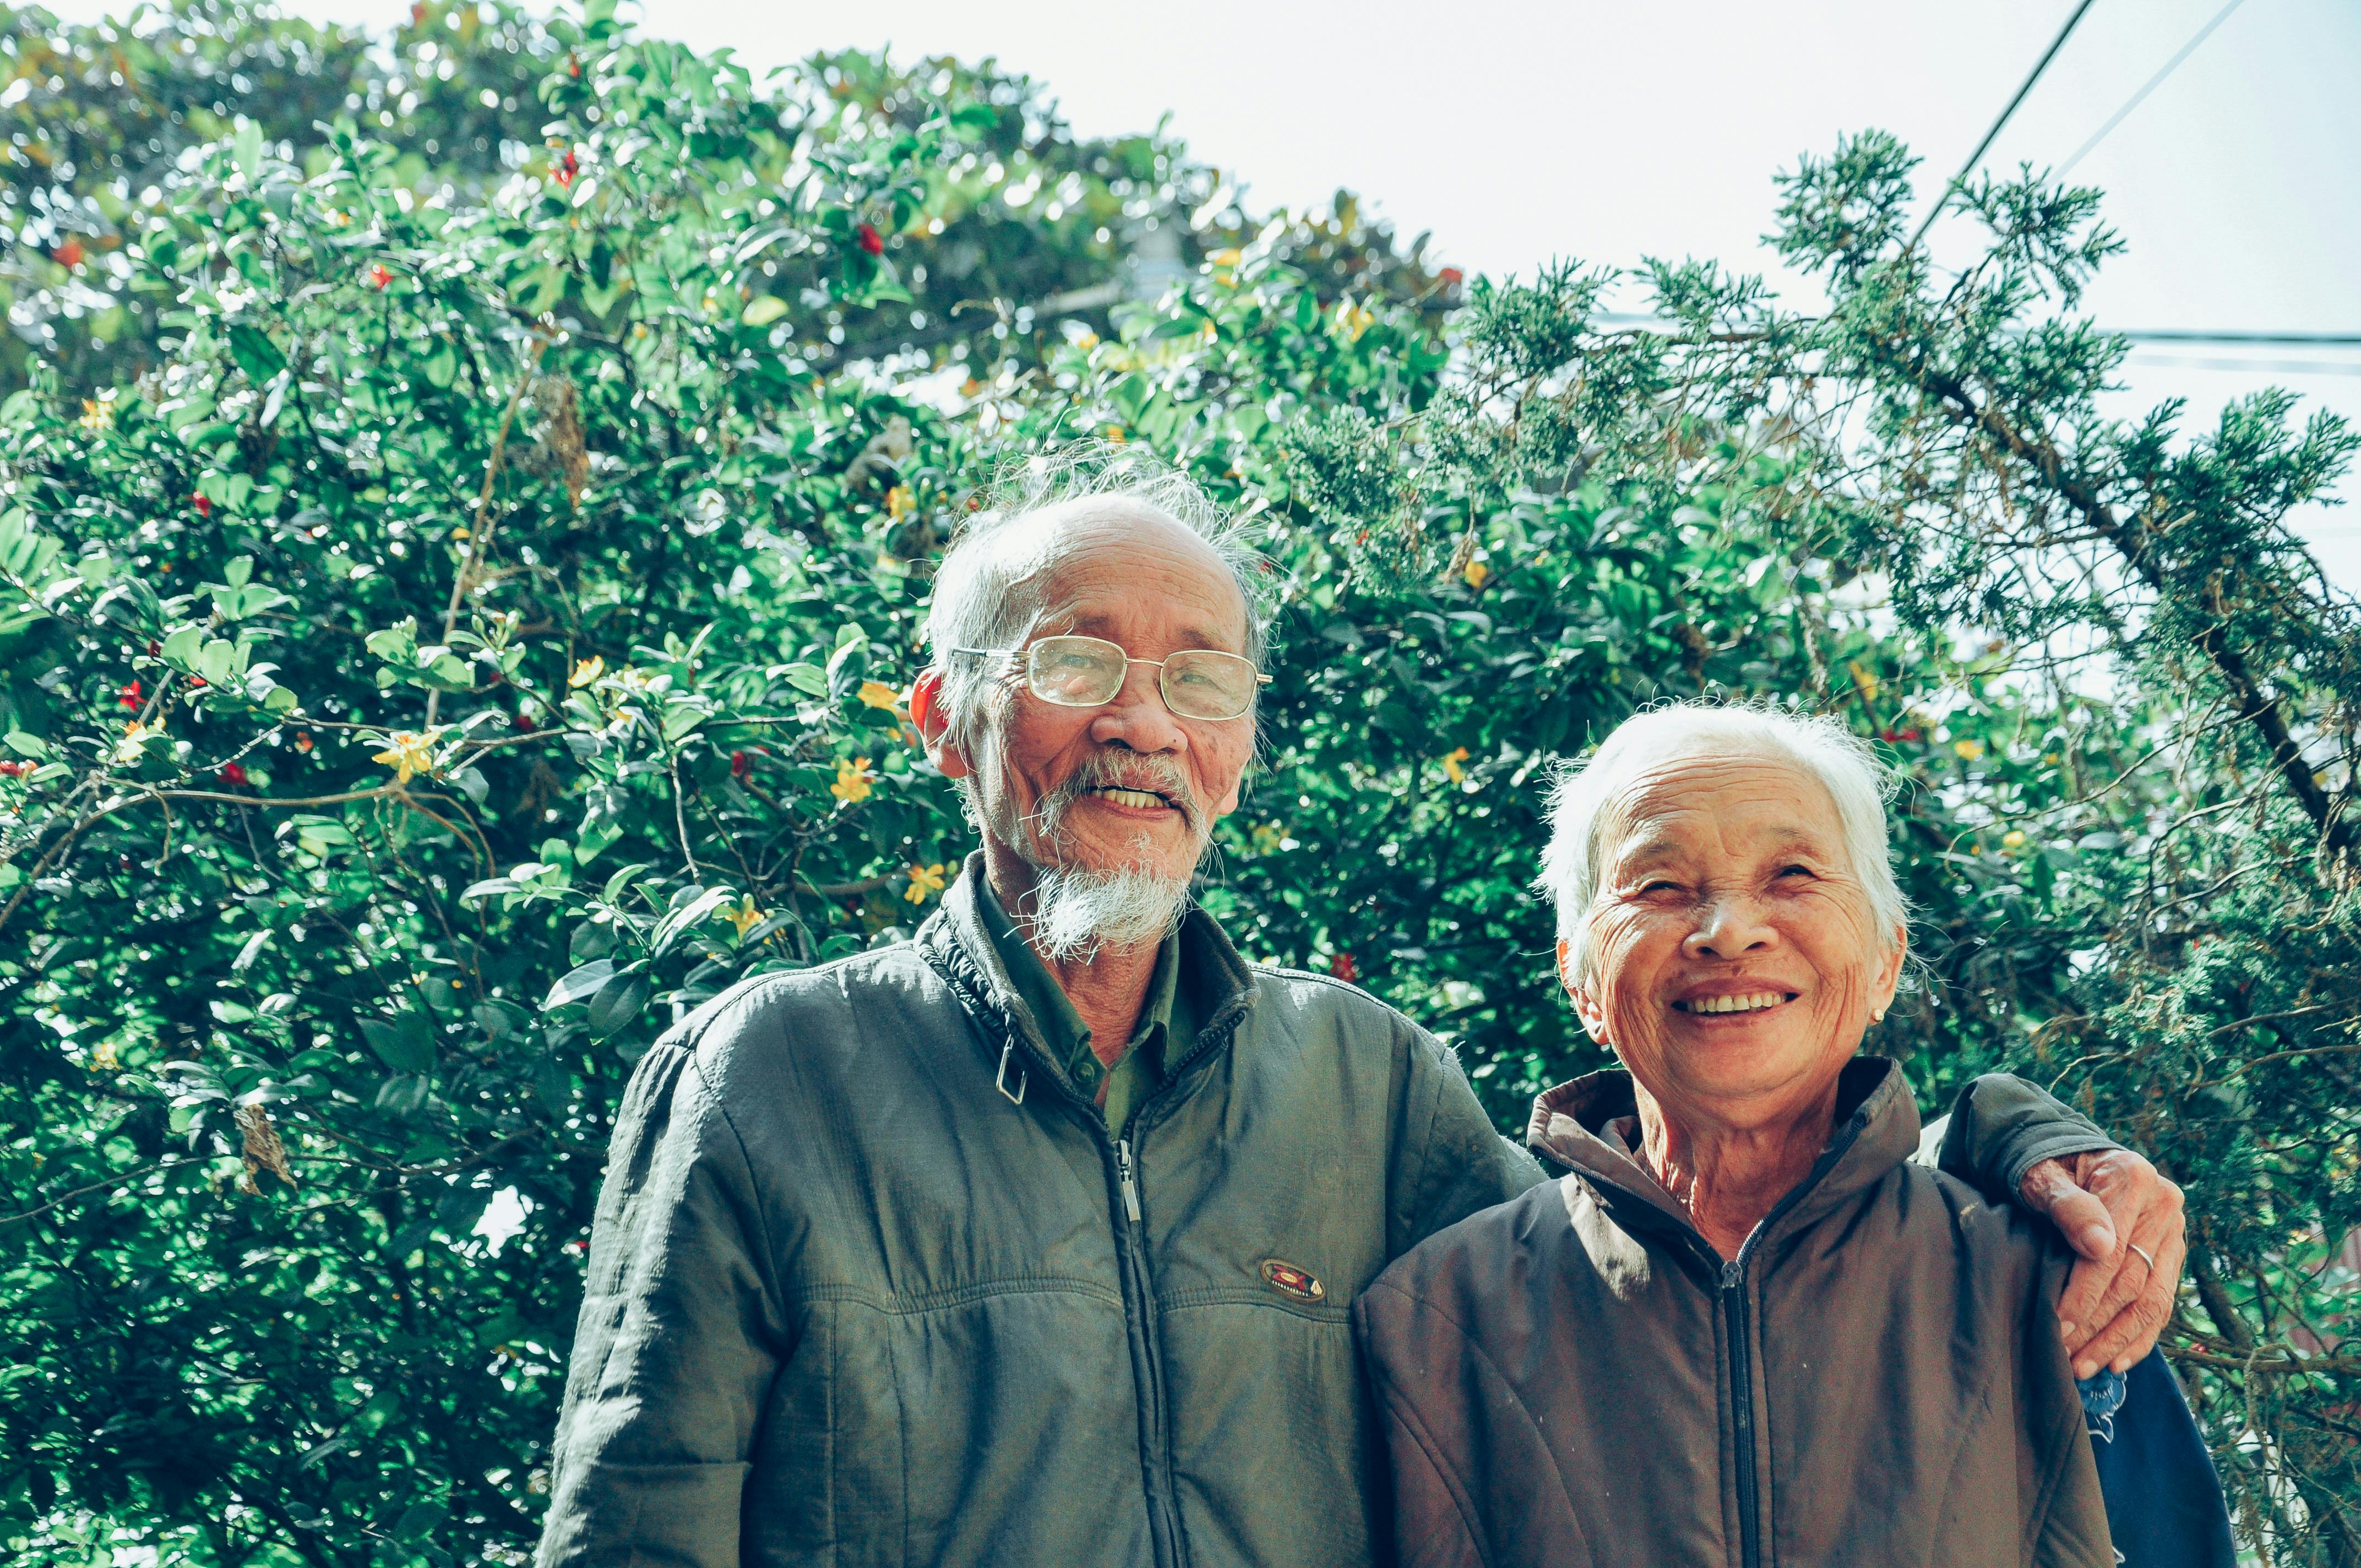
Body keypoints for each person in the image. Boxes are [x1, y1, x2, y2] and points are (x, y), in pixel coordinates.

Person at [535, 450, 2188, 1568]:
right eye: (1078, 661)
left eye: (1200, 676)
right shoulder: (776, 1074)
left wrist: (2010, 1144)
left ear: (1242, 744)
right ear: (943, 719)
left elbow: (1674, 1296)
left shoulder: (1363, 1081)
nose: (1144, 724)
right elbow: (635, 1525)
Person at [1353, 703, 2232, 1567]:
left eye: (1794, 876)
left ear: (1886, 958)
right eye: (1659, 886)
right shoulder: (1438, 1314)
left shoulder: (2049, 1277)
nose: (1729, 929)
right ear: (1581, 977)